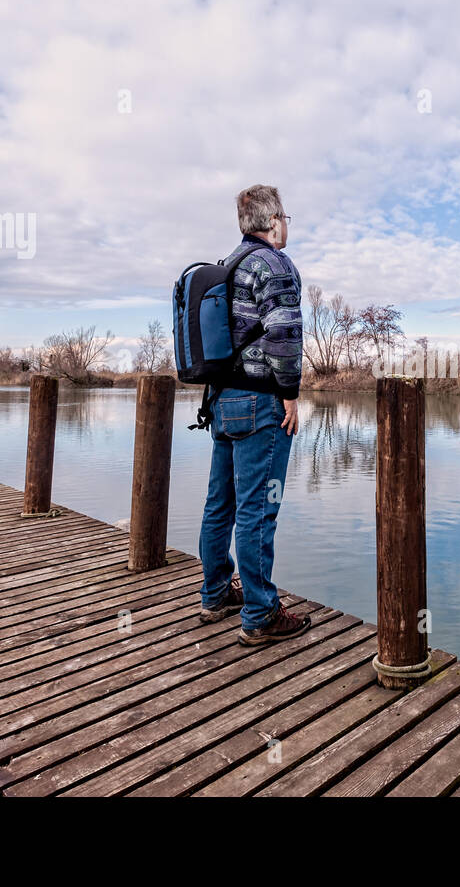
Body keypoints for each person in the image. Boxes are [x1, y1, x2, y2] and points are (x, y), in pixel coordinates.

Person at [198, 184, 308, 645]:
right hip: (261, 402)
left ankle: (216, 592)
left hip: (223, 401)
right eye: (286, 216)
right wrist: (289, 392)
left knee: (220, 504)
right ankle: (261, 615)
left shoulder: (228, 265)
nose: (288, 225)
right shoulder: (274, 264)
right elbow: (284, 334)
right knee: (259, 509)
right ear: (273, 220)